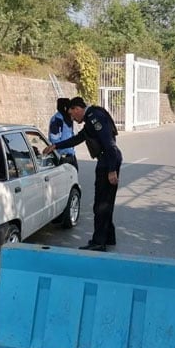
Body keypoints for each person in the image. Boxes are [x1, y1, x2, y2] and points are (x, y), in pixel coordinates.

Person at [43, 97, 122, 251]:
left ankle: (99, 242)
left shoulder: (94, 118)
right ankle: (108, 237)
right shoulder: (90, 121)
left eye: (73, 114)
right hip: (107, 159)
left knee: (101, 204)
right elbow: (77, 139)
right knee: (106, 202)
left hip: (108, 161)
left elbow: (109, 144)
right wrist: (55, 146)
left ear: (78, 109)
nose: (73, 118)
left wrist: (111, 169)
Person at [47, 97, 78, 170]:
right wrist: (63, 153)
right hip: (61, 156)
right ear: (64, 108)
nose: (70, 110)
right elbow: (54, 139)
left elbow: (71, 135)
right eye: (69, 108)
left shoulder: (68, 118)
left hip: (71, 154)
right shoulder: (57, 120)